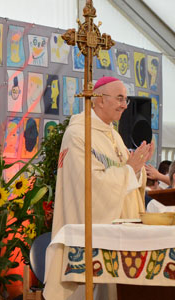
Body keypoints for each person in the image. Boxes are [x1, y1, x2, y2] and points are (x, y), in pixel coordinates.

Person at [44, 76, 153, 300]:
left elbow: (127, 179)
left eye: (126, 100)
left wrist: (138, 169)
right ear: (100, 100)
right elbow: (89, 186)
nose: (124, 104)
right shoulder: (78, 134)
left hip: (118, 236)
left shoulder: (113, 135)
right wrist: (129, 171)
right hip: (91, 237)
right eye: (120, 98)